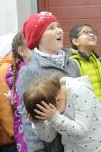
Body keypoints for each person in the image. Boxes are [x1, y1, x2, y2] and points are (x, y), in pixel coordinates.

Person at [17, 12, 80, 152]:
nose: (59, 30)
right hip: (55, 144)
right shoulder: (30, 71)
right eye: (51, 28)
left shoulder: (73, 64)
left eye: (59, 26)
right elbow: (27, 115)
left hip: (82, 140)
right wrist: (37, 148)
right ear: (38, 38)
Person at [23, 75, 101, 152]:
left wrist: (55, 117)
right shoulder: (51, 107)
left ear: (58, 100)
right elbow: (49, 137)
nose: (50, 118)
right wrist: (37, 124)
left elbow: (81, 131)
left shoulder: (79, 92)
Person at [69, 24, 101, 129]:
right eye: (86, 32)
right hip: (89, 121)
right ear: (76, 41)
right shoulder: (74, 62)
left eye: (93, 32)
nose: (91, 35)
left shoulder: (97, 60)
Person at [6, 32, 32, 152]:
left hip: (23, 129)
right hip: (28, 131)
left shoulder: (16, 70)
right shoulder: (26, 72)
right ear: (22, 51)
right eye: (33, 47)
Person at [0, 33, 17, 152]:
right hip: (11, 140)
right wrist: (13, 132)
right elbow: (3, 105)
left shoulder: (13, 67)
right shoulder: (5, 69)